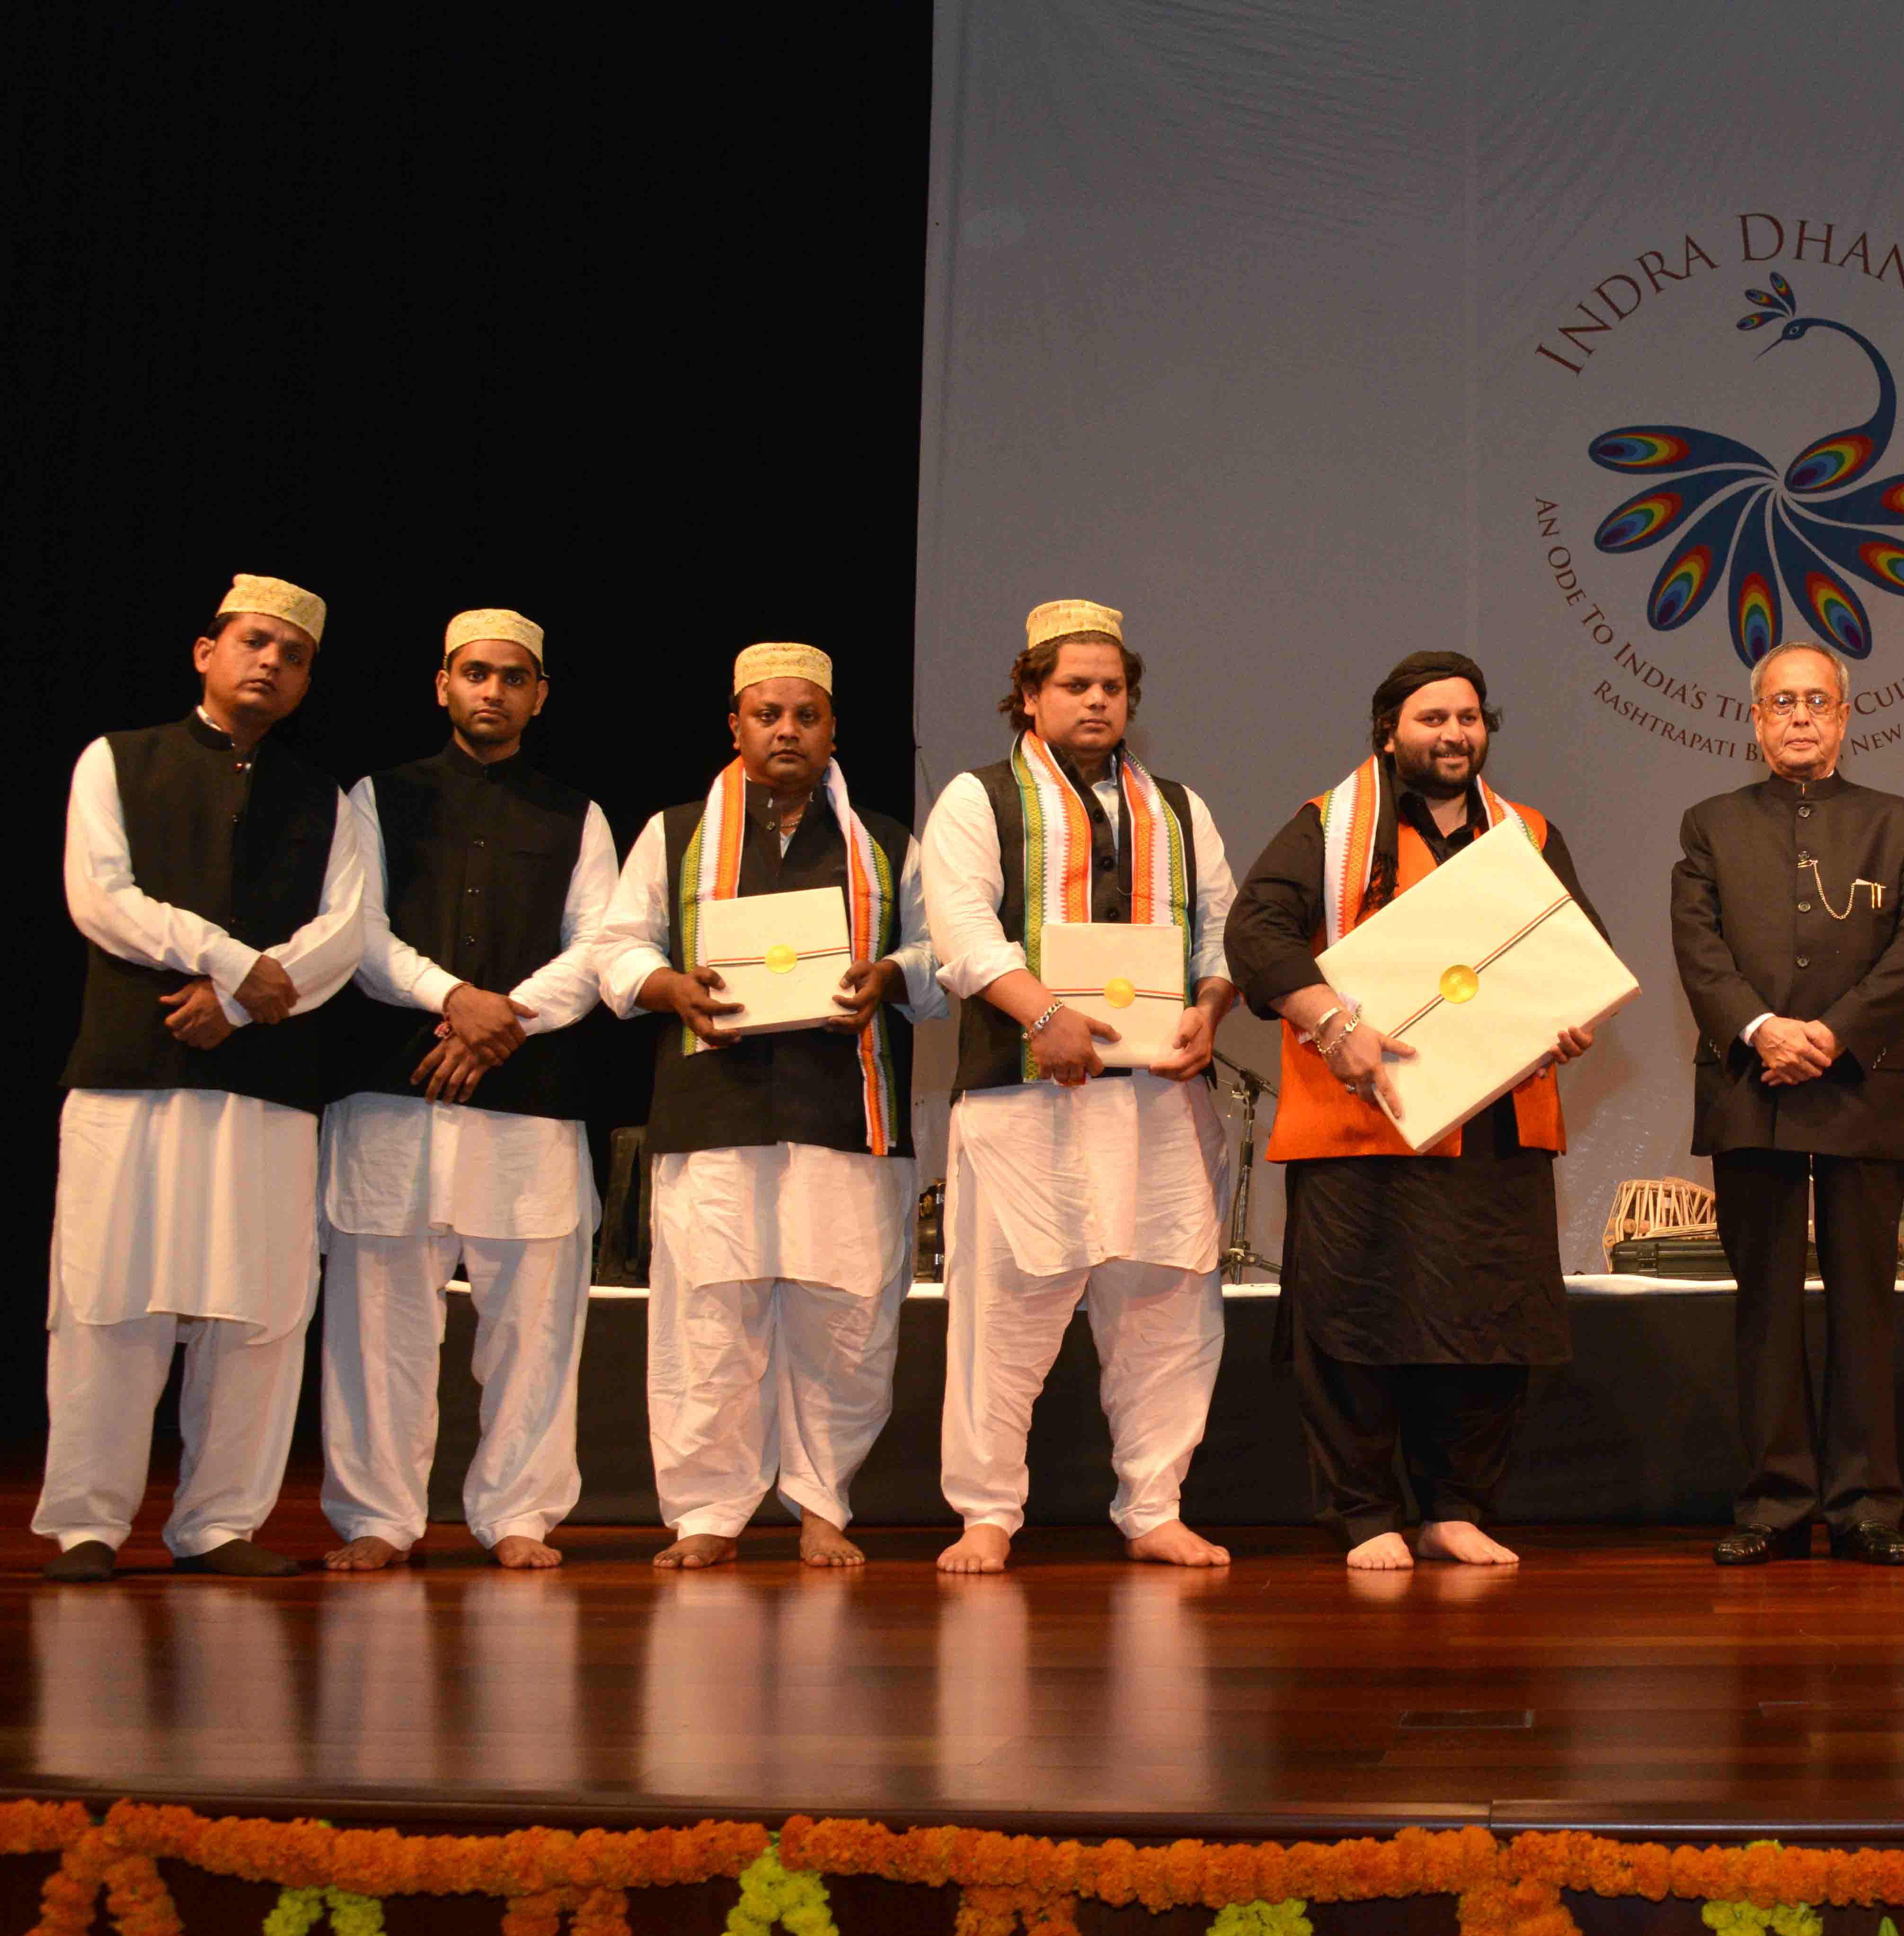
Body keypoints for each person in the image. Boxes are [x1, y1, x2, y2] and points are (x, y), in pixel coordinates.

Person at [1224, 651, 1605, 1570]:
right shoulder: (1329, 825)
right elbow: (1255, 934)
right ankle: (1363, 1513)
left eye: (1468, 717)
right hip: (1364, 1115)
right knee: (1355, 1322)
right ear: (1388, 731)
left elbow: (1574, 954)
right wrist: (1333, 1022)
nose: (1453, 734)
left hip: (1492, 1121)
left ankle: (1454, 1506)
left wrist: (1569, 1019)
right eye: (1432, 718)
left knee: (1485, 1321)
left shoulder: (1528, 832)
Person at [36, 574, 371, 1581]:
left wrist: (234, 1003)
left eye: (294, 654)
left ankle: (220, 1523)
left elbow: (344, 934)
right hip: (128, 1072)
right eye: (255, 642)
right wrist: (230, 961)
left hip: (262, 1079)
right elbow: (101, 896)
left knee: (258, 1306)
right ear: (205, 651)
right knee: (108, 1298)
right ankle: (88, 1523)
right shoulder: (119, 759)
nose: (271, 662)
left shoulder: (328, 796)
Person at [594, 643, 940, 1568]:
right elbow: (616, 946)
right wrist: (666, 984)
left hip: (847, 1108)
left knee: (848, 1317)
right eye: (766, 714)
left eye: (806, 715)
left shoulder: (887, 842)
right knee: (708, 1315)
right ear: (736, 726)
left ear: (831, 729)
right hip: (713, 1107)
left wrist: (894, 971)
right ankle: (708, 1509)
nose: (785, 730)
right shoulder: (675, 833)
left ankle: (823, 1501)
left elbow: (941, 954)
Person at [921, 598, 1239, 1572]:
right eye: (1074, 685)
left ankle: (1153, 1505)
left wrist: (1210, 1011)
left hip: (1153, 1099)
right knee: (1004, 1310)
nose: (1097, 701)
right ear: (1027, 695)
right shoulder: (977, 800)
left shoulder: (1177, 806)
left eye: (1112, 687)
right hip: (1025, 1097)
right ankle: (985, 1512)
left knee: (1163, 1308)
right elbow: (963, 933)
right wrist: (1041, 1015)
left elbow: (1219, 931)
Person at [316, 609, 617, 1573]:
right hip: (394, 1090)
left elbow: (601, 946)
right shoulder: (377, 796)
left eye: (513, 676)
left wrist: (505, 1022)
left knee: (534, 1320)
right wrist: (454, 999)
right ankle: (376, 1516)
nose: (493, 690)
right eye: (475, 674)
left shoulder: (577, 812)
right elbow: (354, 934)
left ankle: (520, 1511)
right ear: (442, 684)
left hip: (528, 1096)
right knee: (379, 1320)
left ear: (540, 694)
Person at [1670, 640, 1904, 1567]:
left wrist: (1828, 1034)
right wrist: (1761, 1031)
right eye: (1779, 701)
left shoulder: (1900, 824)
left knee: (1866, 1302)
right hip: (1753, 1090)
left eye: (1814, 701)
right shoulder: (1708, 825)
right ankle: (1775, 1501)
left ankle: (1866, 1502)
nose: (1797, 716)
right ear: (1754, 720)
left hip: (1862, 1087)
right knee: (1767, 1306)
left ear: (1843, 716)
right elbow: (1698, 949)